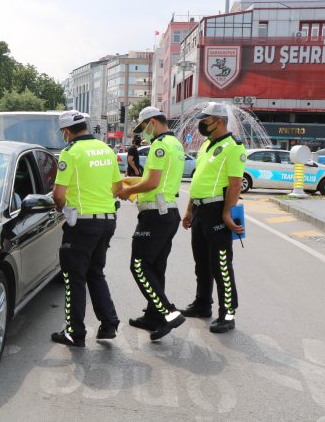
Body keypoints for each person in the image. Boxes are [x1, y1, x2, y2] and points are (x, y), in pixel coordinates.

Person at [51, 110, 123, 347]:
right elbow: (117, 187)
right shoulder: (106, 149)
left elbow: (58, 195)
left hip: (82, 223)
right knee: (95, 272)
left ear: (66, 131)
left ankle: (75, 332)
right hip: (107, 220)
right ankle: (109, 323)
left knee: (74, 277)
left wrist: (63, 209)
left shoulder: (70, 153)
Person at [117, 107, 186, 340]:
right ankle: (153, 316)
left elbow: (152, 183)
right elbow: (157, 180)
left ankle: (168, 313)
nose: (143, 133)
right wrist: (136, 181)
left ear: (153, 122)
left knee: (138, 265)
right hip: (168, 213)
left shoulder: (159, 145)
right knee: (155, 268)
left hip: (155, 215)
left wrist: (128, 190)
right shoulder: (176, 144)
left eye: (144, 127)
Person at [181, 102, 246, 333]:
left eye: (205, 119)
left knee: (221, 265)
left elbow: (236, 183)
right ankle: (202, 304)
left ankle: (227, 314)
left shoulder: (234, 147)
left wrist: (227, 212)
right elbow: (199, 179)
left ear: (218, 121)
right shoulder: (207, 145)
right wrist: (189, 209)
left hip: (217, 211)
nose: (201, 124)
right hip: (199, 210)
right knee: (202, 263)